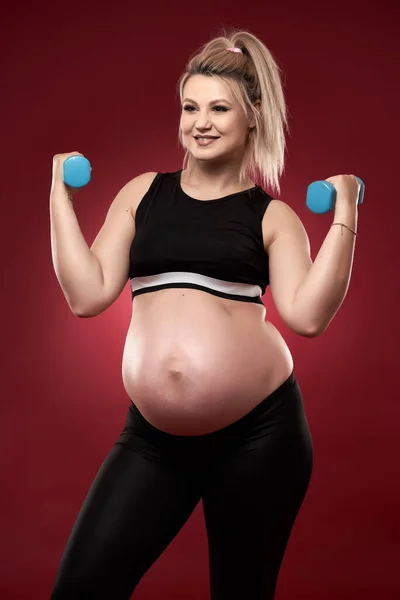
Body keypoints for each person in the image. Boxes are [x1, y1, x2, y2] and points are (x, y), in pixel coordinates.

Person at [49, 28, 358, 600]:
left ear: (253, 118)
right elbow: (86, 294)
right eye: (191, 106)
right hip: (154, 441)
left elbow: (307, 315)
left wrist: (346, 212)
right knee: (81, 589)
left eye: (220, 108)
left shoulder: (272, 217)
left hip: (261, 437)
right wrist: (58, 197)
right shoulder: (144, 193)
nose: (201, 122)